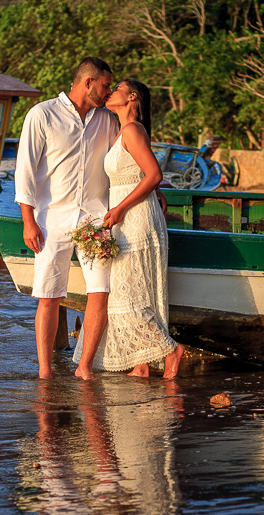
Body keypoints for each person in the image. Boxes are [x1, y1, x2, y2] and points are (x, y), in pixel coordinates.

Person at [15, 57, 119, 379]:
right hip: (51, 220)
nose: (109, 92)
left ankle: (84, 367)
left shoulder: (107, 120)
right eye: (105, 86)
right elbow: (25, 171)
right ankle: (45, 371)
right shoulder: (42, 114)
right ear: (88, 83)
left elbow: (123, 159)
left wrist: (156, 185)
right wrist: (28, 221)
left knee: (100, 292)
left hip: (95, 220)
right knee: (49, 296)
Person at [73, 79, 185, 379]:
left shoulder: (133, 129)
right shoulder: (122, 130)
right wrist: (149, 194)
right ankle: (142, 363)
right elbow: (140, 173)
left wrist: (121, 208)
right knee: (136, 291)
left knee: (127, 295)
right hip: (130, 215)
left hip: (135, 218)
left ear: (132, 96)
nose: (110, 93)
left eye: (117, 88)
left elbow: (154, 174)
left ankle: (171, 351)